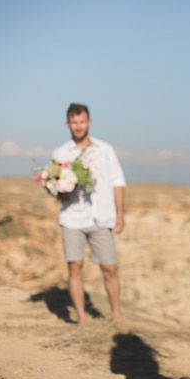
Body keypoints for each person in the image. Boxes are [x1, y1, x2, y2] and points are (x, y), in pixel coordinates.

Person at [53, 103, 126, 331]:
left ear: (89, 122)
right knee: (75, 266)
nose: (78, 126)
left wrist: (120, 213)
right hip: (72, 218)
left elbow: (118, 181)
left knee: (109, 268)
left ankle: (116, 316)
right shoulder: (60, 153)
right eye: (74, 122)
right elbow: (57, 190)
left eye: (82, 121)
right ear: (68, 124)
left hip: (101, 218)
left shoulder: (105, 150)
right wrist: (62, 187)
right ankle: (82, 320)